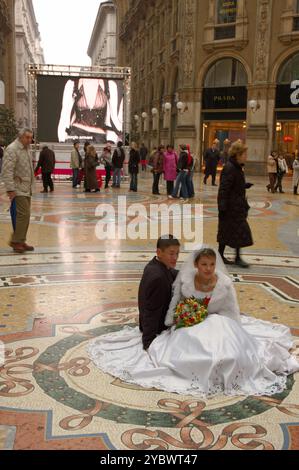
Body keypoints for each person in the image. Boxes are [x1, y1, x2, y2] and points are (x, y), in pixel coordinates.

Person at [87, 246, 298, 397]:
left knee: (231, 353)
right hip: (191, 324)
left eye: (212, 264)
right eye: (204, 264)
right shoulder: (186, 280)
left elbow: (232, 310)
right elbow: (175, 303)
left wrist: (237, 331)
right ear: (196, 264)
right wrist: (172, 322)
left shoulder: (223, 282)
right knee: (190, 353)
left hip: (220, 322)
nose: (208, 268)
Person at [217, 140, 253, 268]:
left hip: (236, 205)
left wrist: (244, 185)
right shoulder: (230, 168)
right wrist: (222, 206)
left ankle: (222, 255)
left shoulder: (236, 167)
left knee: (228, 230)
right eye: (244, 154)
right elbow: (224, 188)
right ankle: (236, 257)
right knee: (237, 230)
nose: (246, 157)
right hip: (232, 207)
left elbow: (233, 185)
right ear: (238, 154)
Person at [57, 78, 123, 144]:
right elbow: (65, 114)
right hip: (77, 134)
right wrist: (62, 138)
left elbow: (112, 117)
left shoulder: (110, 85)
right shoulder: (72, 84)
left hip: (99, 137)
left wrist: (112, 139)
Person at [1, 128, 35, 253]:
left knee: (25, 216)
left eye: (31, 137)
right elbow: (7, 171)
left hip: (26, 187)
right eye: (27, 137)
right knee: (23, 214)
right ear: (21, 137)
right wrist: (10, 189)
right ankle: (16, 241)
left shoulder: (26, 149)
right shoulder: (12, 149)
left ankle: (20, 240)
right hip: (18, 188)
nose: (30, 140)